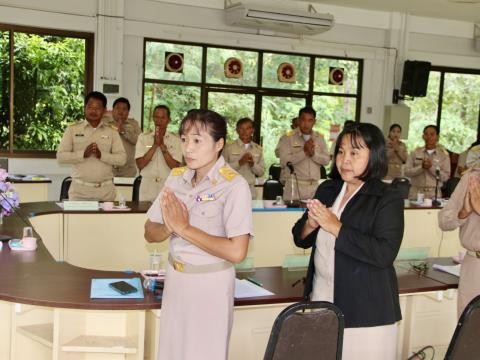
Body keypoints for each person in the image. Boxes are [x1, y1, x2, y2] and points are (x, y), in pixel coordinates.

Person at [144, 109, 253, 360]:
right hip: (175, 280)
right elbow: (149, 232)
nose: (188, 149)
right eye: (183, 140)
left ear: (219, 144)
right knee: (172, 352)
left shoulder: (234, 186)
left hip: (210, 286)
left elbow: (237, 251)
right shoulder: (176, 178)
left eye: (197, 140)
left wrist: (184, 229)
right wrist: (169, 227)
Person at [292, 123, 404, 359]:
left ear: (374, 155)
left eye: (354, 153)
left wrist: (336, 227)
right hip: (321, 300)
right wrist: (311, 225)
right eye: (341, 152)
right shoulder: (328, 189)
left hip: (366, 310)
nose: (345, 160)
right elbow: (299, 238)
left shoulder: (387, 197)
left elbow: (383, 253)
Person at [57, 91, 126, 201]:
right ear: (85, 108)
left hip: (105, 193)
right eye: (90, 107)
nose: (93, 111)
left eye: (97, 108)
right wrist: (82, 154)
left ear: (104, 110)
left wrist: (101, 155)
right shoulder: (72, 129)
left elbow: (122, 159)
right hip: (79, 192)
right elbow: (61, 157)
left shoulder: (112, 131)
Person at [438, 169, 480, 317]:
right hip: (474, 266)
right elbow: (444, 221)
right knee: (470, 331)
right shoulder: (471, 178)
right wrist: (462, 213)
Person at [276, 106, 330, 201]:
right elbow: (284, 161)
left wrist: (313, 154)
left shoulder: (319, 138)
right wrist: (304, 152)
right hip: (295, 187)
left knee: (313, 216)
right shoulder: (288, 138)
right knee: (291, 216)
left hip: (314, 188)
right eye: (303, 120)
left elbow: (326, 160)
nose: (306, 124)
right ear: (298, 120)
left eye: (310, 120)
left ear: (314, 122)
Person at [135, 105, 182, 202]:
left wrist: (162, 146)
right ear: (153, 118)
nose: (159, 121)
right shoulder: (143, 137)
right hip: (147, 187)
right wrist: (155, 145)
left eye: (163, 118)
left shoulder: (176, 140)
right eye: (156, 117)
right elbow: (140, 164)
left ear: (168, 120)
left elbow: (175, 167)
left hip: (167, 186)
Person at [405, 125, 450, 199]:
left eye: (432, 134)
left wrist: (431, 168)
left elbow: (445, 177)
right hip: (416, 192)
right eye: (426, 134)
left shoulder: (443, 155)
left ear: (437, 137)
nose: (428, 137)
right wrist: (421, 167)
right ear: (423, 136)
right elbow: (406, 172)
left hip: (434, 193)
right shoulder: (415, 152)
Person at [223, 117, 264, 199]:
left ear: (252, 130)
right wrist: (239, 163)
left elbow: (261, 172)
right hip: (232, 188)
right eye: (241, 128)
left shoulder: (258, 149)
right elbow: (222, 170)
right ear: (237, 130)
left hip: (250, 189)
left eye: (248, 128)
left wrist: (253, 164)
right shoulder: (228, 147)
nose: (244, 132)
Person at [104, 97, 141, 177]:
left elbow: (139, 141)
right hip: (108, 169)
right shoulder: (104, 123)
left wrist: (123, 131)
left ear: (128, 112)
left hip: (128, 170)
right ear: (113, 110)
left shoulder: (134, 124)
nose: (121, 111)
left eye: (124, 109)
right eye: (118, 108)